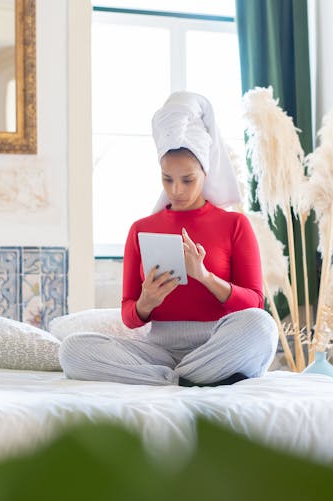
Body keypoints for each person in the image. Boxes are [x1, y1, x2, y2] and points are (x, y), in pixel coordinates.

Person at [59, 91, 277, 386]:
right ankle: (185, 379)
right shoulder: (141, 228)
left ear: (205, 171)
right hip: (158, 352)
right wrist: (145, 303)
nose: (176, 190)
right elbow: (130, 316)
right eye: (167, 178)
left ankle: (175, 378)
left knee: (262, 327)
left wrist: (205, 277)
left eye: (187, 180)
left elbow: (254, 303)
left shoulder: (234, 224)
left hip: (216, 344)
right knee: (73, 350)